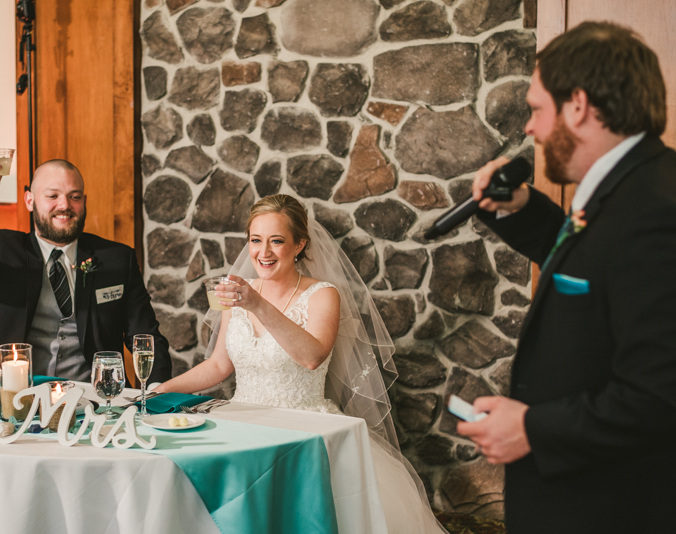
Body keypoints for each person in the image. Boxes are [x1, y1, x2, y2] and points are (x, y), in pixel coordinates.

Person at [457, 22, 676, 534]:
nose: (530, 128)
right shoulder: (631, 187)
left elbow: (661, 395)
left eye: (536, 109)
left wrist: (532, 428)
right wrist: (521, 209)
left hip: (611, 508)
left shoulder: (656, 213)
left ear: (577, 105)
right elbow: (598, 270)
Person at [157, 194, 446, 533]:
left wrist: (258, 305)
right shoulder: (239, 292)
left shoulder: (323, 294)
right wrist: (163, 389)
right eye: (255, 240)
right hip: (240, 422)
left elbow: (312, 357)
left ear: (299, 245)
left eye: (276, 241)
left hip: (302, 428)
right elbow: (219, 365)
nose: (263, 252)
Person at [0, 156, 171, 383]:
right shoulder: (4, 248)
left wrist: (154, 393)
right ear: (30, 201)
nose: (64, 206)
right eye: (52, 196)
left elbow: (146, 336)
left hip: (97, 401)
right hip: (14, 397)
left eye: (74, 197)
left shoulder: (117, 259)